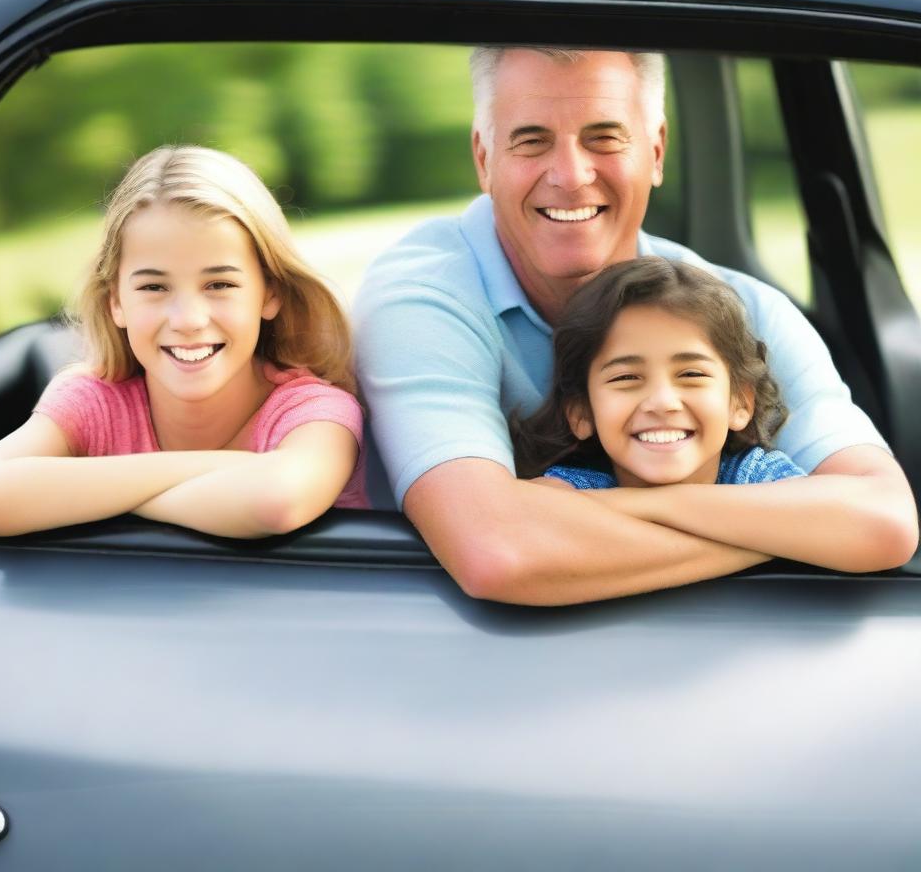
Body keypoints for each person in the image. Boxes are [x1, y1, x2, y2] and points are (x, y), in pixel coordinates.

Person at [353, 47, 917, 606]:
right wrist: (795, 532)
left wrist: (637, 505)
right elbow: (498, 551)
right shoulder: (423, 299)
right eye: (532, 140)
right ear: (483, 158)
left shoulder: (743, 308)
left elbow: (883, 519)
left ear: (656, 149)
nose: (571, 176)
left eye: (605, 137)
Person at [0, 145, 367, 537]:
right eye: (154, 288)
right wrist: (221, 469)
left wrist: (89, 495)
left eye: (219, 284)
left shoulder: (313, 411)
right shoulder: (94, 401)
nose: (187, 320)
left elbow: (276, 503)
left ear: (270, 293)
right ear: (116, 302)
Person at [512, 257, 804, 491]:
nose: (663, 402)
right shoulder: (577, 490)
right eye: (626, 378)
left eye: (691, 374)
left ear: (740, 402)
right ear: (581, 413)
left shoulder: (758, 476)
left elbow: (843, 520)